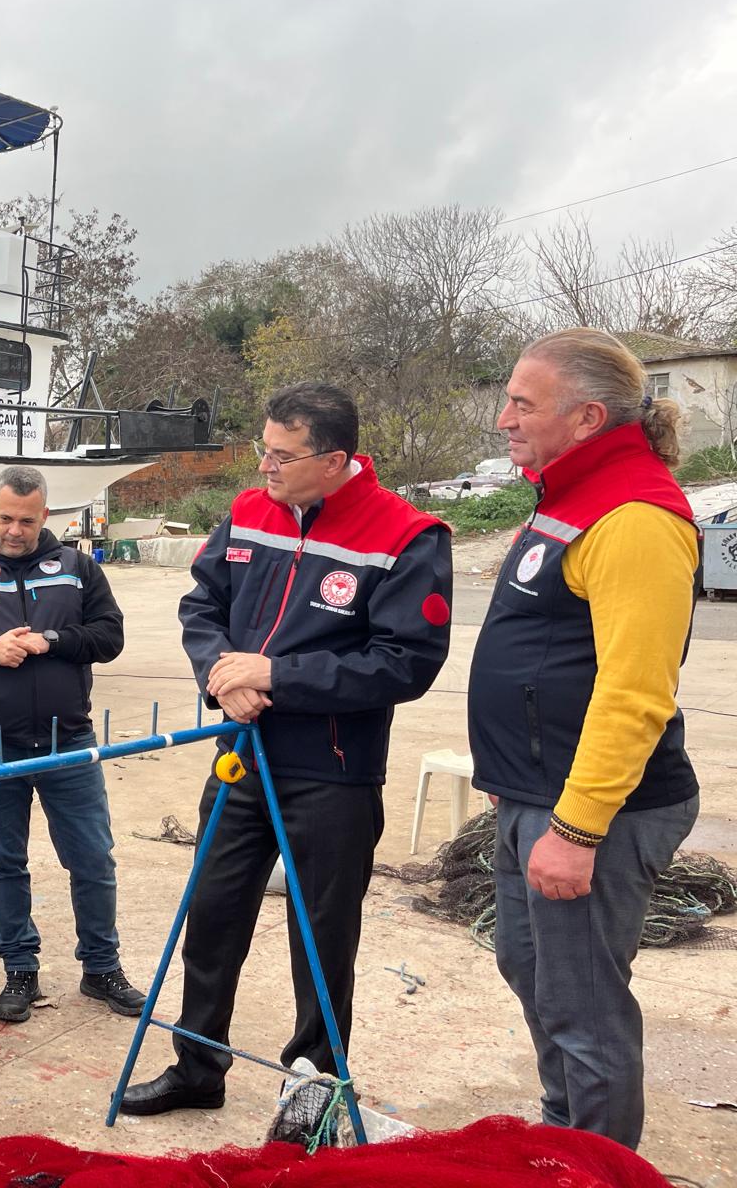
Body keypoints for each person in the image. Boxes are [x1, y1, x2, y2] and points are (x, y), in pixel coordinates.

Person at [122, 381, 452, 1116]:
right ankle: (197, 1068)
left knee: (322, 936)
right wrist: (219, 672)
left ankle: (312, 1082)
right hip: (242, 756)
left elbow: (406, 662)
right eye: (263, 450)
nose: (265, 468)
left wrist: (278, 674)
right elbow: (201, 604)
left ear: (335, 459)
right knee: (211, 917)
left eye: (282, 455)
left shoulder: (405, 535)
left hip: (332, 772)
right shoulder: (247, 512)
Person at [468, 330, 700, 1150]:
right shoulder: (571, 497)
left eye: (523, 404)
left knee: (585, 1009)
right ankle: (562, 1141)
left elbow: (636, 693)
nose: (504, 418)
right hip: (536, 794)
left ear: (587, 416)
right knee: (534, 975)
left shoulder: (634, 516)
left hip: (592, 814)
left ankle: (596, 1167)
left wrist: (575, 827)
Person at [0, 465, 144, 1024]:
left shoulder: (77, 568)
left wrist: (53, 640)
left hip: (66, 740)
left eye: (27, 519)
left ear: (46, 516)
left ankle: (101, 967)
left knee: (92, 859)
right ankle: (19, 969)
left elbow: (110, 636)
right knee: (5, 863)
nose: (15, 530)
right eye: (5, 518)